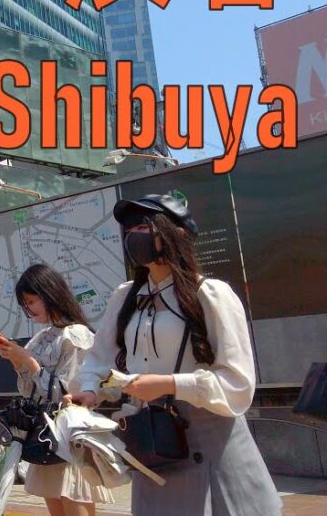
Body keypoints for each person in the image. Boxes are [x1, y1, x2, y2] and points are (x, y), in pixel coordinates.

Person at [67, 194, 282, 515]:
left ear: (176, 234)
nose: (133, 237)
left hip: (209, 443)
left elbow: (237, 383)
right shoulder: (126, 297)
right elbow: (100, 359)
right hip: (152, 444)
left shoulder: (210, 294)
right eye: (129, 231)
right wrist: (90, 392)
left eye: (143, 227)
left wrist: (169, 384)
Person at [0, 264, 113, 516]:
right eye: (25, 303)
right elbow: (29, 392)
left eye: (31, 301)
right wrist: (18, 361)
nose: (29, 309)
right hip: (46, 437)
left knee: (75, 503)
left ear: (49, 294)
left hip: (71, 438)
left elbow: (67, 393)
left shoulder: (76, 335)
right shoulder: (42, 337)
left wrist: (28, 361)